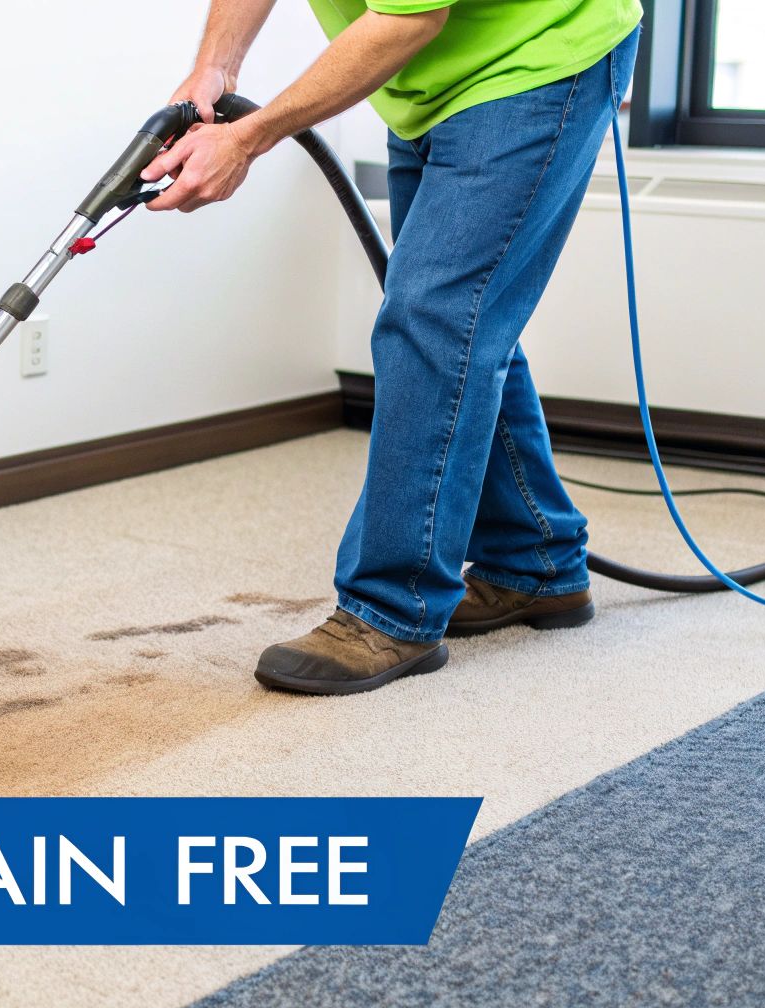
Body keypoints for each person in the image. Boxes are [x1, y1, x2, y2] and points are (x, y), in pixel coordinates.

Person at [144, 0, 643, 695]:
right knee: (459, 325)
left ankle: (391, 608)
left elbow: (408, 18)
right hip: (424, 86)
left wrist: (248, 139)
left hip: (533, 59)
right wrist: (214, 69)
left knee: (433, 323)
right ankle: (535, 558)